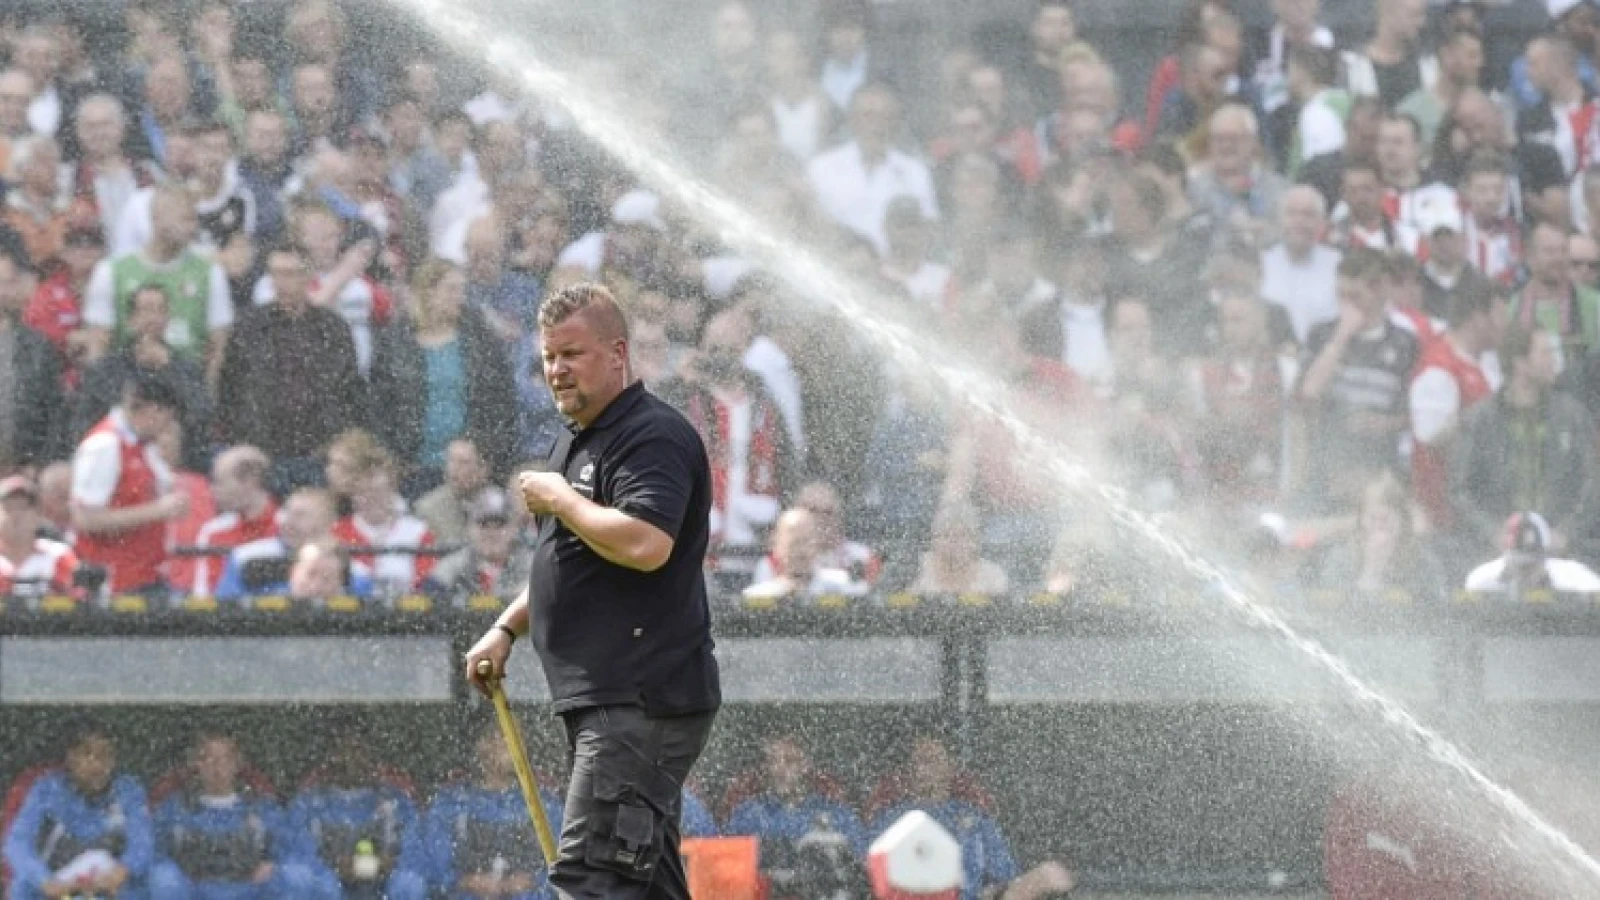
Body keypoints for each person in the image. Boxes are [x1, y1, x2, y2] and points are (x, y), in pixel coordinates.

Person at [464, 282, 720, 900]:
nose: (556, 370)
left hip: (638, 701)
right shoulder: (578, 439)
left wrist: (558, 496)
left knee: (592, 884)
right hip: (612, 704)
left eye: (572, 354)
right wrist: (506, 627)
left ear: (618, 353)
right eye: (548, 357)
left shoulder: (651, 434)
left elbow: (644, 543)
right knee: (644, 886)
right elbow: (572, 565)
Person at [218, 242, 365, 490]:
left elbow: (349, 390)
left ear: (308, 276)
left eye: (290, 273)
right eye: (275, 273)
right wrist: (243, 440)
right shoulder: (249, 327)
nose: (281, 282)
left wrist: (333, 441)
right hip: (264, 453)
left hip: (317, 454)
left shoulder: (332, 329)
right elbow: (230, 388)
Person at [367, 259, 517, 492]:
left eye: (462, 289)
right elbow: (381, 406)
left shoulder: (479, 340)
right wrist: (393, 457)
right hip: (413, 467)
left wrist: (487, 453)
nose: (460, 296)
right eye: (451, 289)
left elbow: (501, 401)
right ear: (427, 293)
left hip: (471, 469)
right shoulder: (395, 343)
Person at [1452, 326, 1599, 558]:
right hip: (1495, 555)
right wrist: (1493, 533)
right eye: (1545, 353)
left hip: (1561, 553)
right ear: (1520, 363)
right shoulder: (1480, 421)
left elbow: (1592, 481)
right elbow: (1460, 490)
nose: (1554, 361)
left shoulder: (1572, 416)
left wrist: (1566, 533)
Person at [148, 732, 341, 900]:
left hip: (249, 891)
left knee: (297, 875)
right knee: (163, 878)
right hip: (196, 891)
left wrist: (273, 865)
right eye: (207, 758)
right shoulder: (176, 808)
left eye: (224, 758)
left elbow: (293, 848)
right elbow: (153, 852)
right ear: (196, 764)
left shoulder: (261, 808)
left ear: (237, 762)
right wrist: (177, 872)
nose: (216, 766)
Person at [1297, 249, 1420, 509]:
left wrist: (1383, 424)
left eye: (1356, 296)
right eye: (1341, 296)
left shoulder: (1405, 344)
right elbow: (1308, 394)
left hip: (1381, 473)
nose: (1347, 305)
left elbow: (1414, 416)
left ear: (1381, 290)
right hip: (1327, 473)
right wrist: (1340, 337)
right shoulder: (1321, 335)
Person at [388, 723, 565, 900]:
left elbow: (570, 868)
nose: (516, 744)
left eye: (521, 738)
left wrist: (535, 881)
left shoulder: (545, 807)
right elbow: (419, 867)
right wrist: (463, 881)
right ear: (482, 745)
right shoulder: (450, 806)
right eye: (505, 736)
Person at [83, 184, 234, 386]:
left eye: (194, 219)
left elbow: (217, 348)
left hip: (185, 391)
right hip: (128, 388)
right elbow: (98, 347)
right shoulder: (111, 272)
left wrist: (204, 403)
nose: (193, 227)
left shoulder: (210, 273)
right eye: (185, 219)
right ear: (157, 218)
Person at [3, 720, 155, 900]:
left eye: (105, 755)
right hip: (57, 882)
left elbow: (143, 843)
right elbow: (17, 843)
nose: (97, 764)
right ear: (71, 757)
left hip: (109, 884)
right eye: (87, 753)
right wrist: (46, 881)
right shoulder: (47, 789)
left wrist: (122, 871)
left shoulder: (128, 791)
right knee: (21, 885)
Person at [73, 282, 213, 473]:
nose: (153, 318)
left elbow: (201, 416)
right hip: (117, 460)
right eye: (146, 310)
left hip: (177, 462)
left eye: (160, 310)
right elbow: (89, 418)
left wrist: (169, 368)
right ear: (132, 319)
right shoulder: (107, 369)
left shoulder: (187, 367)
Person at [70, 372, 187, 596]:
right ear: (152, 410)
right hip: (115, 584)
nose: (168, 426)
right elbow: (85, 518)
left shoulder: (142, 446)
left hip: (148, 576)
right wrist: (157, 511)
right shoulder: (104, 446)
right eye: (167, 417)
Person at [724, 736, 867, 899]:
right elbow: (726, 876)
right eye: (773, 761)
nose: (780, 769)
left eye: (789, 761)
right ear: (765, 767)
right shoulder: (746, 816)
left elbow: (858, 874)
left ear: (806, 765)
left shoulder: (838, 816)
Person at [1409, 284, 1497, 531]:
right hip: (1446, 510)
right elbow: (1430, 435)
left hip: (1480, 502)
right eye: (1499, 316)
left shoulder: (1486, 361)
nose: (1505, 325)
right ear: (1478, 318)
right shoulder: (1439, 366)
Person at [332, 450, 436, 597]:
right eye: (362, 492)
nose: (371, 499)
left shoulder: (418, 533)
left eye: (378, 491)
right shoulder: (337, 533)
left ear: (392, 489)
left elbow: (423, 584)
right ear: (351, 494)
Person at [0, 248, 65, 471]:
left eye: (9, 282)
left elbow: (55, 412)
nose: (5, 290)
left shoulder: (38, 346)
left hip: (24, 468)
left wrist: (38, 463)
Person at [188, 446, 279, 598]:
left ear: (250, 480)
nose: (212, 490)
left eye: (219, 482)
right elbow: (203, 597)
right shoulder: (213, 531)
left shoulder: (289, 526)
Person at [420, 487, 530, 607]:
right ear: (469, 529)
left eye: (500, 525)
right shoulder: (455, 564)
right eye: (483, 524)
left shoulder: (532, 565)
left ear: (514, 529)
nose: (491, 532)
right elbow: (427, 598)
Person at [1465, 510, 1600, 594]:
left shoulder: (1577, 580)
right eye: (1520, 565)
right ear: (1505, 556)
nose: (1525, 572)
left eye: (1532, 565)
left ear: (1547, 556)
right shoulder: (1481, 581)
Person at [0, 474, 82, 604]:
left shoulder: (59, 556)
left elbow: (80, 602)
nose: (16, 515)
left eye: (23, 508)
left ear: (38, 515)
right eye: (9, 508)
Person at [414, 439, 491, 547]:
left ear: (483, 469)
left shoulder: (499, 503)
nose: (453, 469)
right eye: (450, 461)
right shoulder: (428, 510)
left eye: (463, 462)